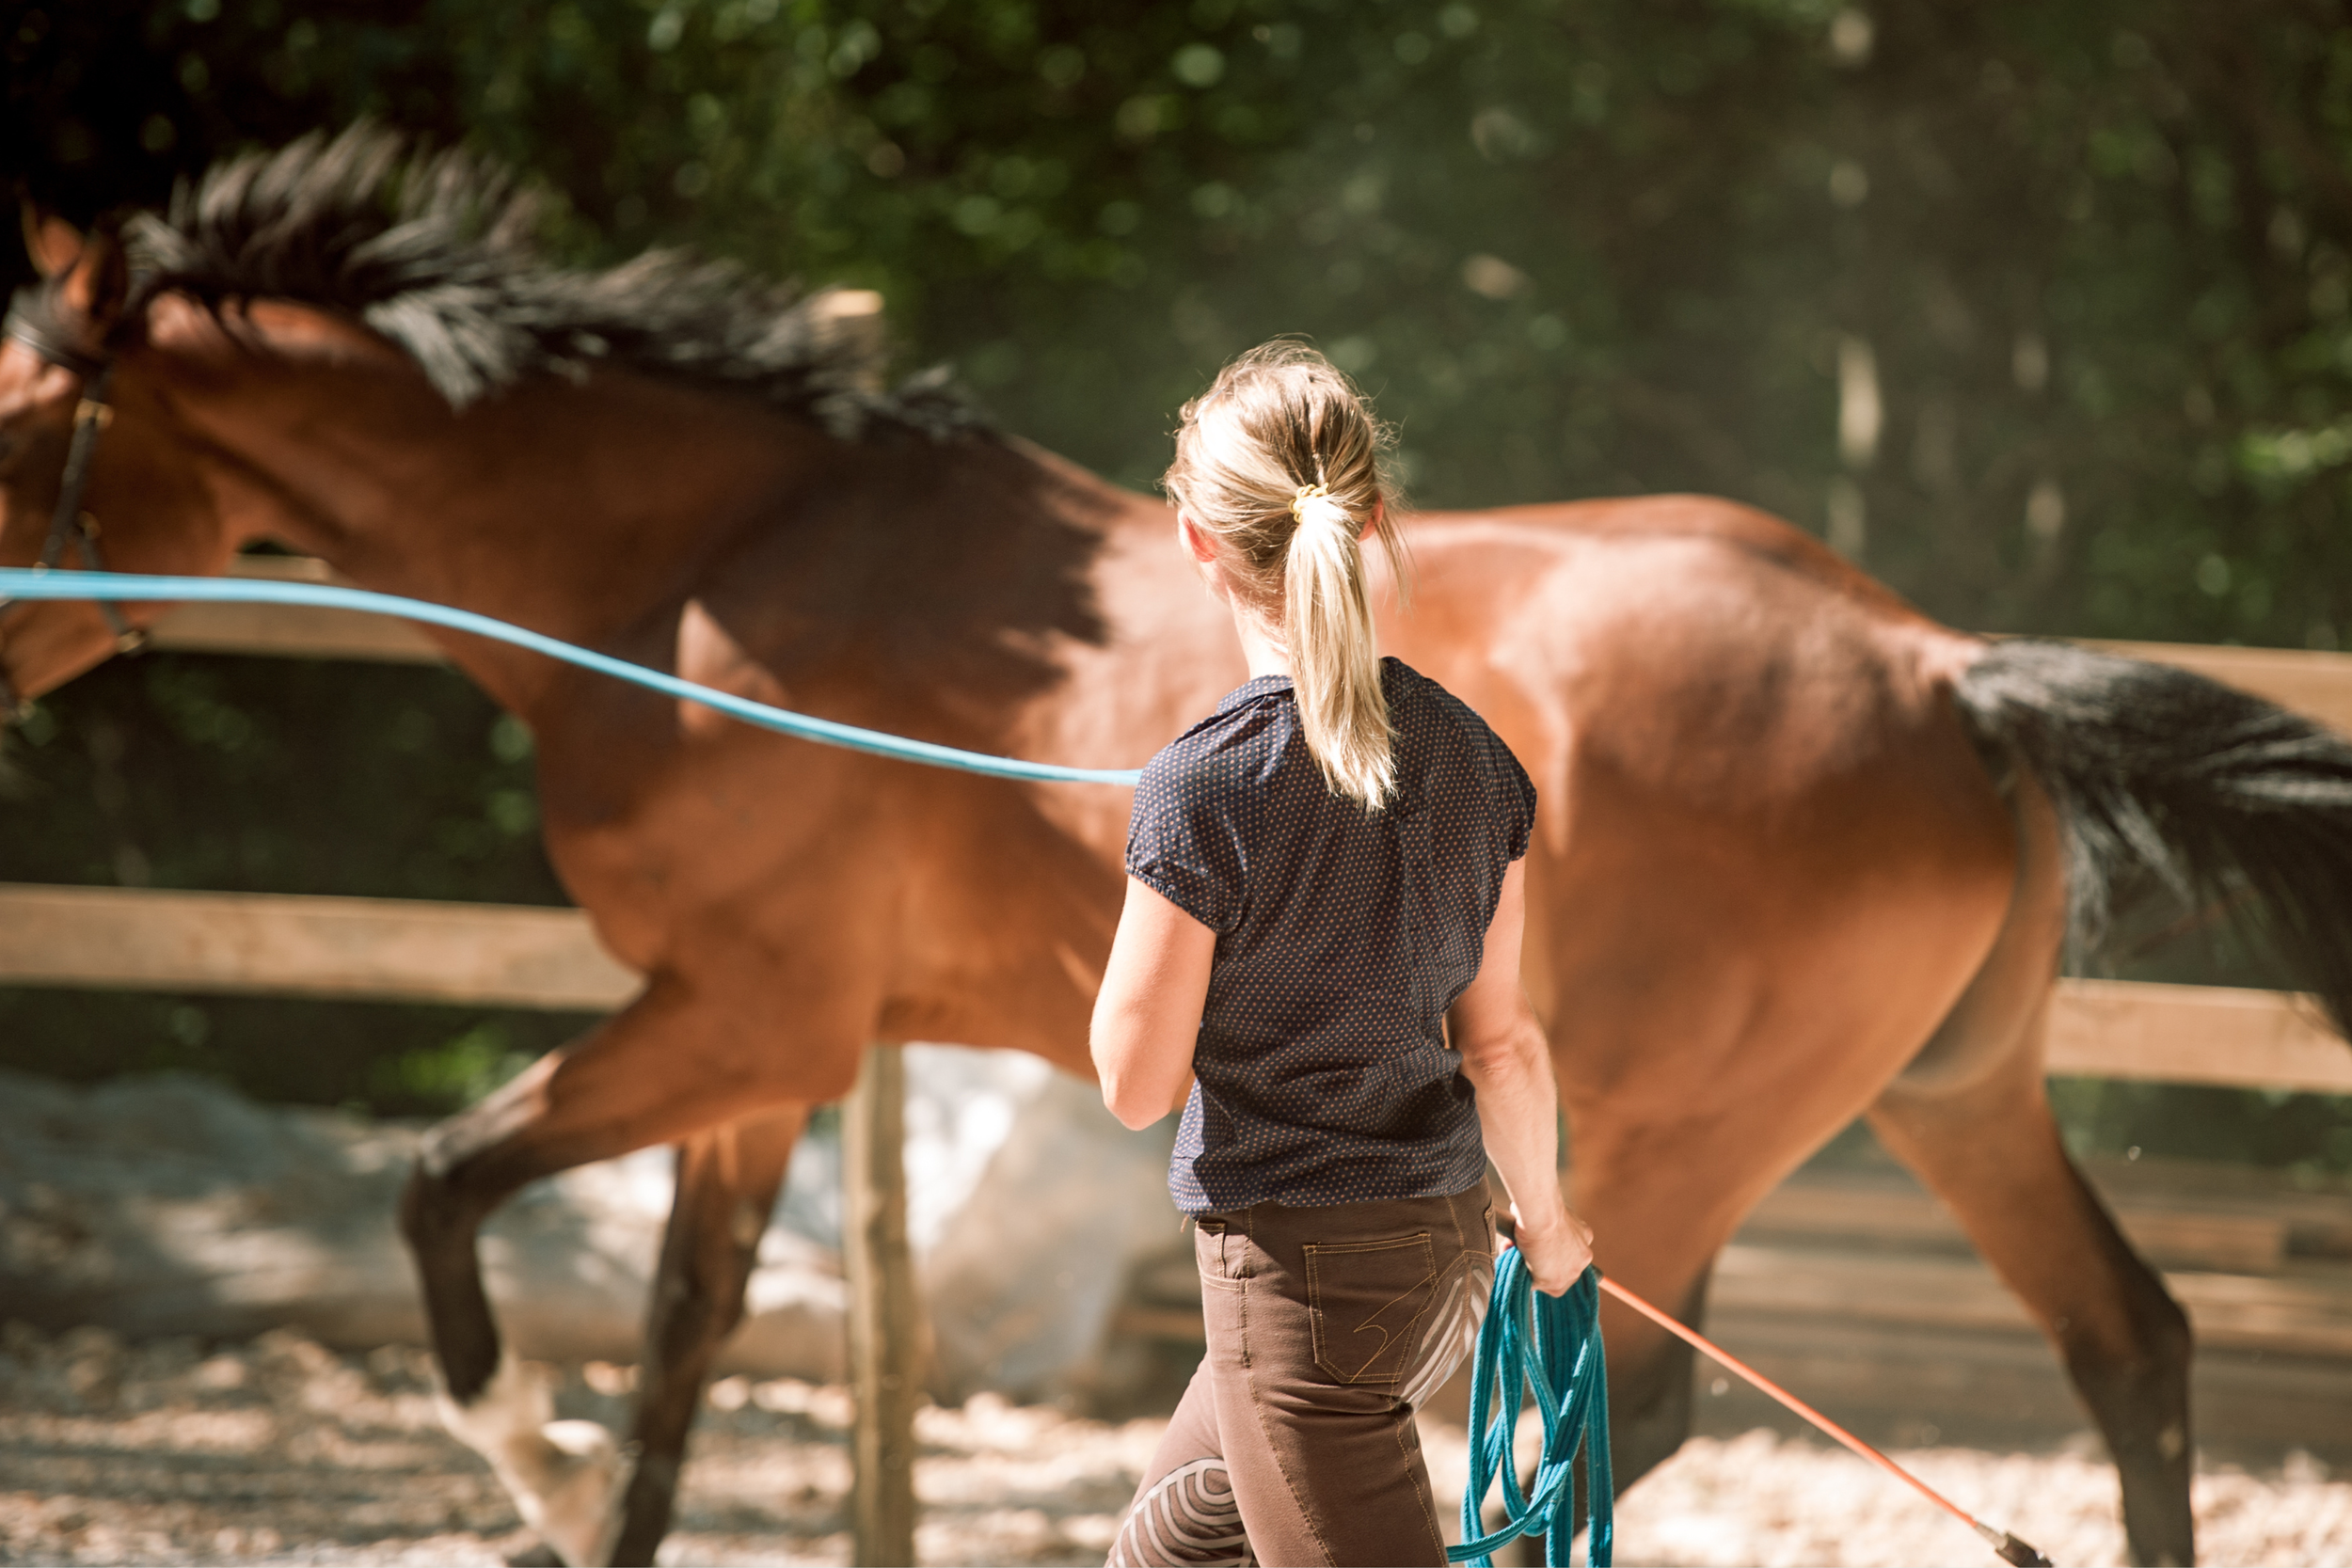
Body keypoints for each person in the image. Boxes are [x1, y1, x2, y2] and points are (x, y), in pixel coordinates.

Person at [1092, 341, 1594, 1568]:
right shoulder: (1479, 757)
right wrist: (1554, 1221)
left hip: (1301, 1289)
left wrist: (1162, 870)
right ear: (1373, 518)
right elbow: (1506, 1044)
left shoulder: (1199, 788)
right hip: (1440, 1259)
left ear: (1197, 540)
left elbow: (1134, 1086)